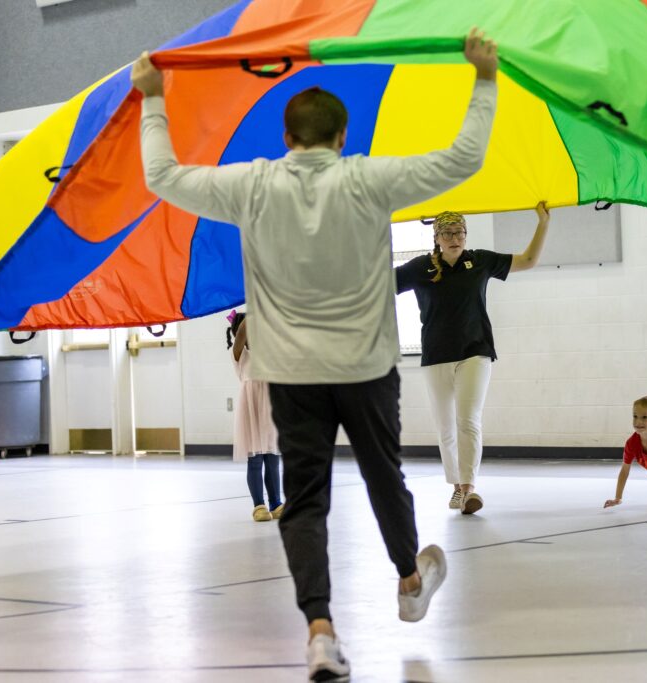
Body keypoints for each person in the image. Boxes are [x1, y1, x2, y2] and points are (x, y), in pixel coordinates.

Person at [131, 28, 499, 680]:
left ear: (287, 138)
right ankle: (410, 580)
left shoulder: (252, 185)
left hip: (289, 374)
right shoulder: (369, 179)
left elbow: (161, 175)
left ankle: (320, 630)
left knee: (305, 499)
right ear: (340, 137)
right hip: (364, 367)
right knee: (386, 476)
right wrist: (484, 79)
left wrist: (155, 99)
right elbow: (462, 159)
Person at [395, 203, 549, 515]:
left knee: (468, 419)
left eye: (459, 232)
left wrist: (543, 222)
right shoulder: (419, 267)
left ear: (466, 235)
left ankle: (469, 490)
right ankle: (455, 486)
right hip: (436, 355)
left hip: (475, 352)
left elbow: (529, 260)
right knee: (445, 426)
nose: (455, 238)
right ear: (437, 237)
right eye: (448, 233)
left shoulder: (479, 261)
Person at [227, 310, 283, 522]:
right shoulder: (239, 354)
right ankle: (259, 505)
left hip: (269, 406)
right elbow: (242, 331)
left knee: (272, 457)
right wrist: (257, 304)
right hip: (250, 408)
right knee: (255, 459)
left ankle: (276, 503)